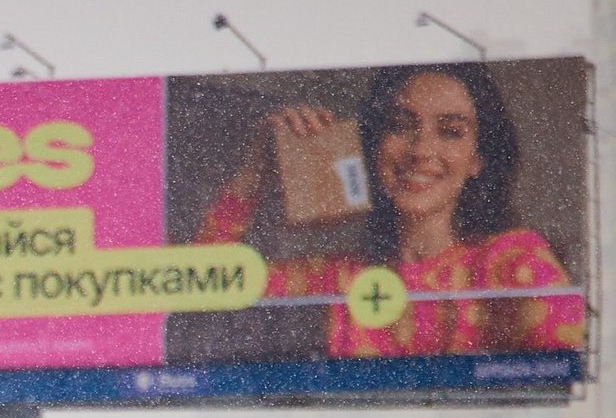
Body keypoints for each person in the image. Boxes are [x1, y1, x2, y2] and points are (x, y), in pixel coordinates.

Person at [193, 63, 583, 356]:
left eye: (449, 132)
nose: (420, 151)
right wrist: (256, 167)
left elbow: (562, 381)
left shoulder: (513, 262)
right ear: (375, 144)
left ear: (477, 159)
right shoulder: (338, 277)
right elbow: (199, 283)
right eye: (400, 125)